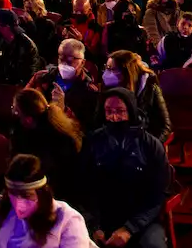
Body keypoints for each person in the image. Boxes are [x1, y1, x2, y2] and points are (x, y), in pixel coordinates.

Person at [82, 88, 171, 248]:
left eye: (120, 111)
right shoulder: (93, 141)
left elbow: (157, 195)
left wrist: (129, 228)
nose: (114, 117)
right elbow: (85, 188)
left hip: (142, 221)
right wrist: (94, 226)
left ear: (131, 111)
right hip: (102, 220)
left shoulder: (150, 145)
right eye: (109, 111)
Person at [0, 153, 95, 248]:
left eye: (26, 195)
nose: (18, 202)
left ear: (42, 193)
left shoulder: (68, 220)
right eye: (13, 194)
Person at [11, 88, 83, 203]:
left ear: (28, 120)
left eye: (15, 111)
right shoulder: (58, 126)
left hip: (51, 198)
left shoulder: (33, 141)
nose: (14, 114)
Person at [100, 50, 171, 143]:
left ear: (126, 71)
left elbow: (165, 127)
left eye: (111, 69)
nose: (106, 73)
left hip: (143, 142)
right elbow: (99, 121)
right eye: (106, 67)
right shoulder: (108, 89)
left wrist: (150, 146)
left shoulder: (150, 89)